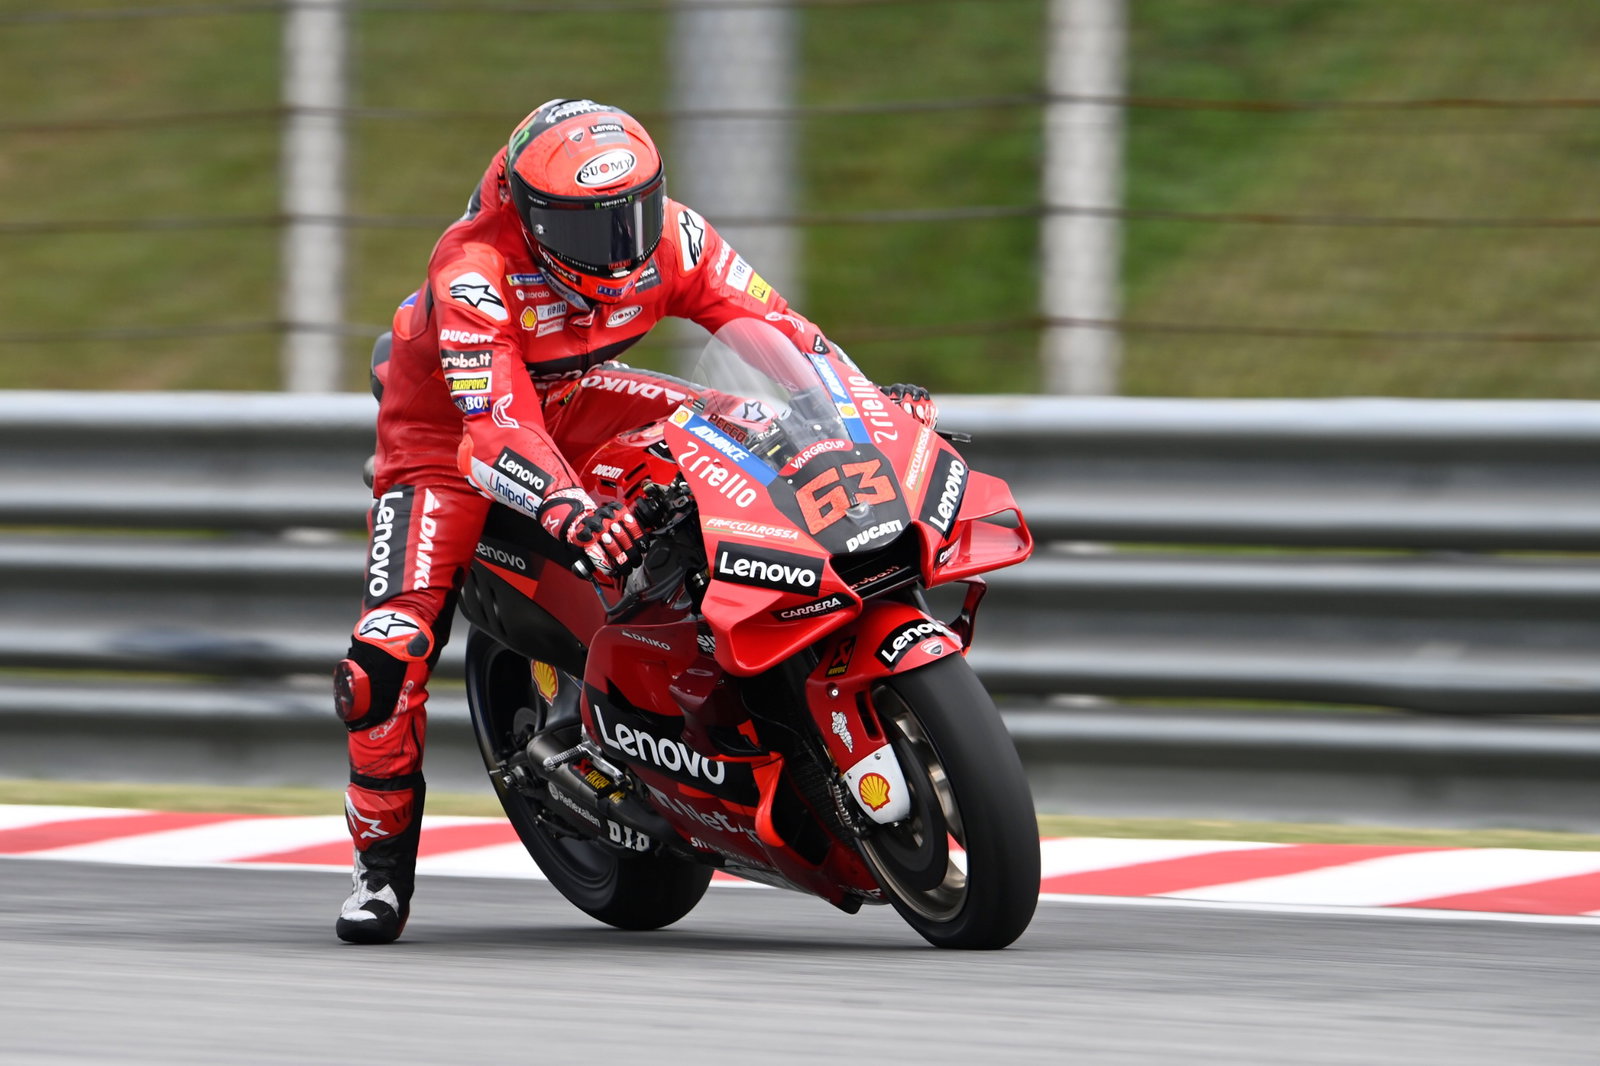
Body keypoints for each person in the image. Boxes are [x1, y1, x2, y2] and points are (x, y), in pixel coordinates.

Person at [332, 98, 937, 944]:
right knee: (384, 659)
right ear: (530, 216)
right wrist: (567, 505)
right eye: (590, 229)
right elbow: (497, 424)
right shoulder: (472, 270)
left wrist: (862, 408)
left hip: (578, 401)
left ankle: (722, 666)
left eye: (635, 213)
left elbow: (775, 328)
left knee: (755, 430)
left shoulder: (674, 236)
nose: (621, 244)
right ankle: (379, 872)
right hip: (446, 448)